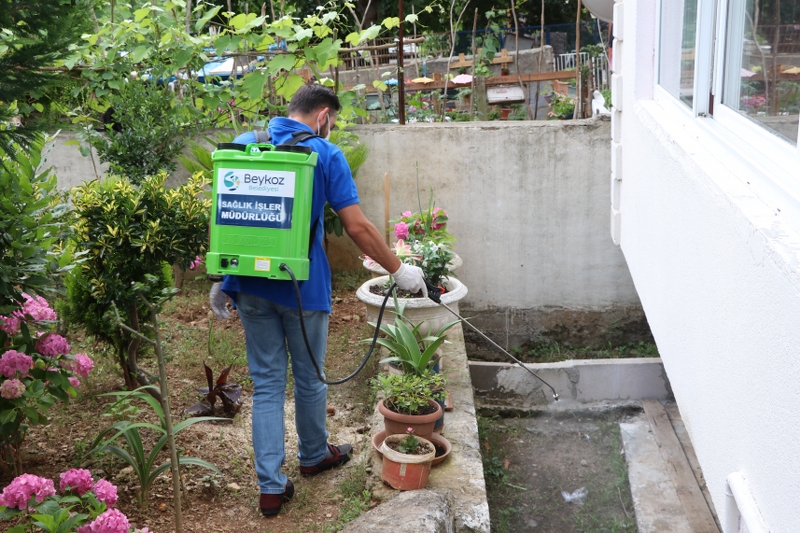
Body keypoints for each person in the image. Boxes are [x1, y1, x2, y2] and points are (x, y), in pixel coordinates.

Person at [208, 84, 426, 517]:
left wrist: (222, 278)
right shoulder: (326, 154)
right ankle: (312, 456)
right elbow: (357, 227)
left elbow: (233, 212)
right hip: (302, 289)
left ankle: (270, 488)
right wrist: (398, 271)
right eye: (335, 121)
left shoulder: (250, 145)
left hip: (250, 285)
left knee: (267, 384)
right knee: (309, 379)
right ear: (323, 115)